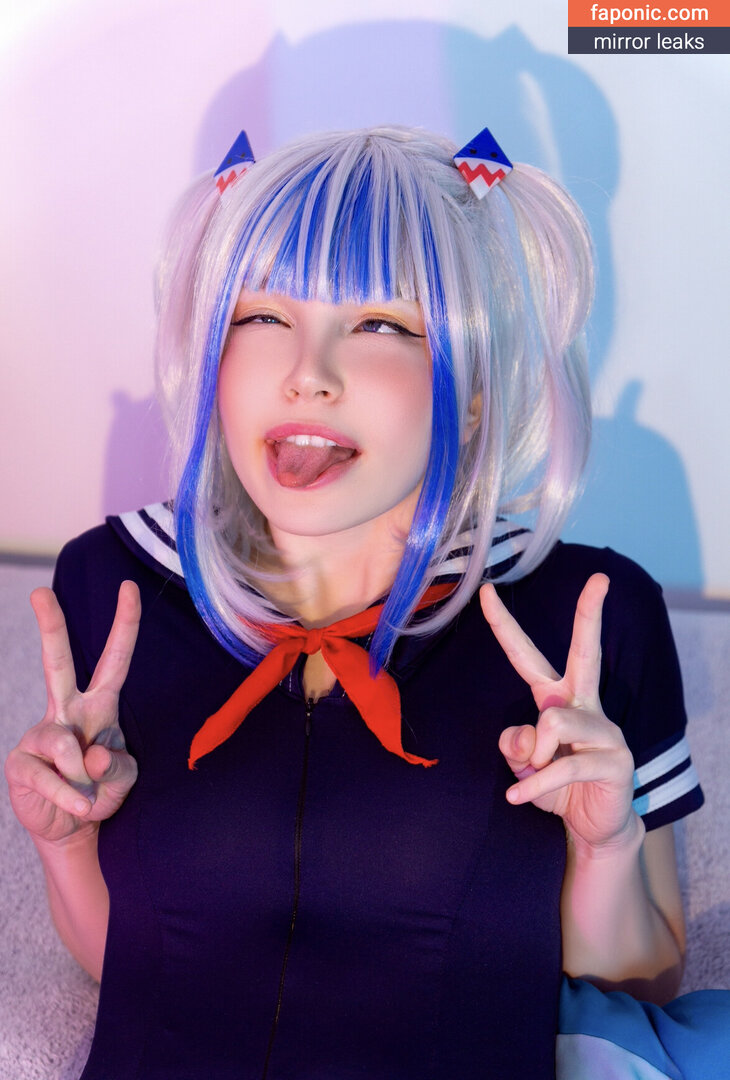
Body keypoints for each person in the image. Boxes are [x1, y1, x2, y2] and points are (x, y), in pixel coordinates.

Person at [5, 125, 708, 1079]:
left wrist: (606, 843)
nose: (308, 372)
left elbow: (643, 983)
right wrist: (65, 843)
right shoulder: (113, 589)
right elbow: (135, 970)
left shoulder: (587, 613)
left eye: (380, 325)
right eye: (263, 315)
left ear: (473, 389)